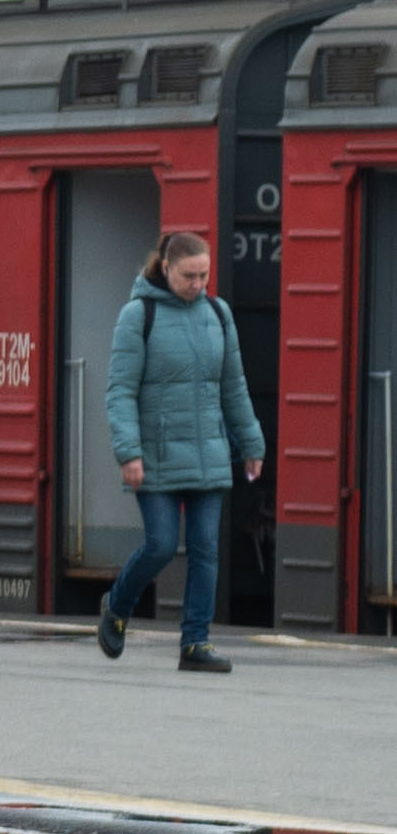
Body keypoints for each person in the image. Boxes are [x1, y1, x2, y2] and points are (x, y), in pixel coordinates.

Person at [99, 228, 265, 674]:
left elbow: (233, 385)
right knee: (159, 545)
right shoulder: (139, 315)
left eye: (204, 275)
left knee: (206, 549)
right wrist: (128, 452)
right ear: (166, 268)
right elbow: (119, 390)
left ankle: (195, 643)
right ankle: (116, 605)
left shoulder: (218, 313)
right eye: (189, 275)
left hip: (209, 452)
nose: (198, 284)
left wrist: (251, 442)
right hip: (155, 454)